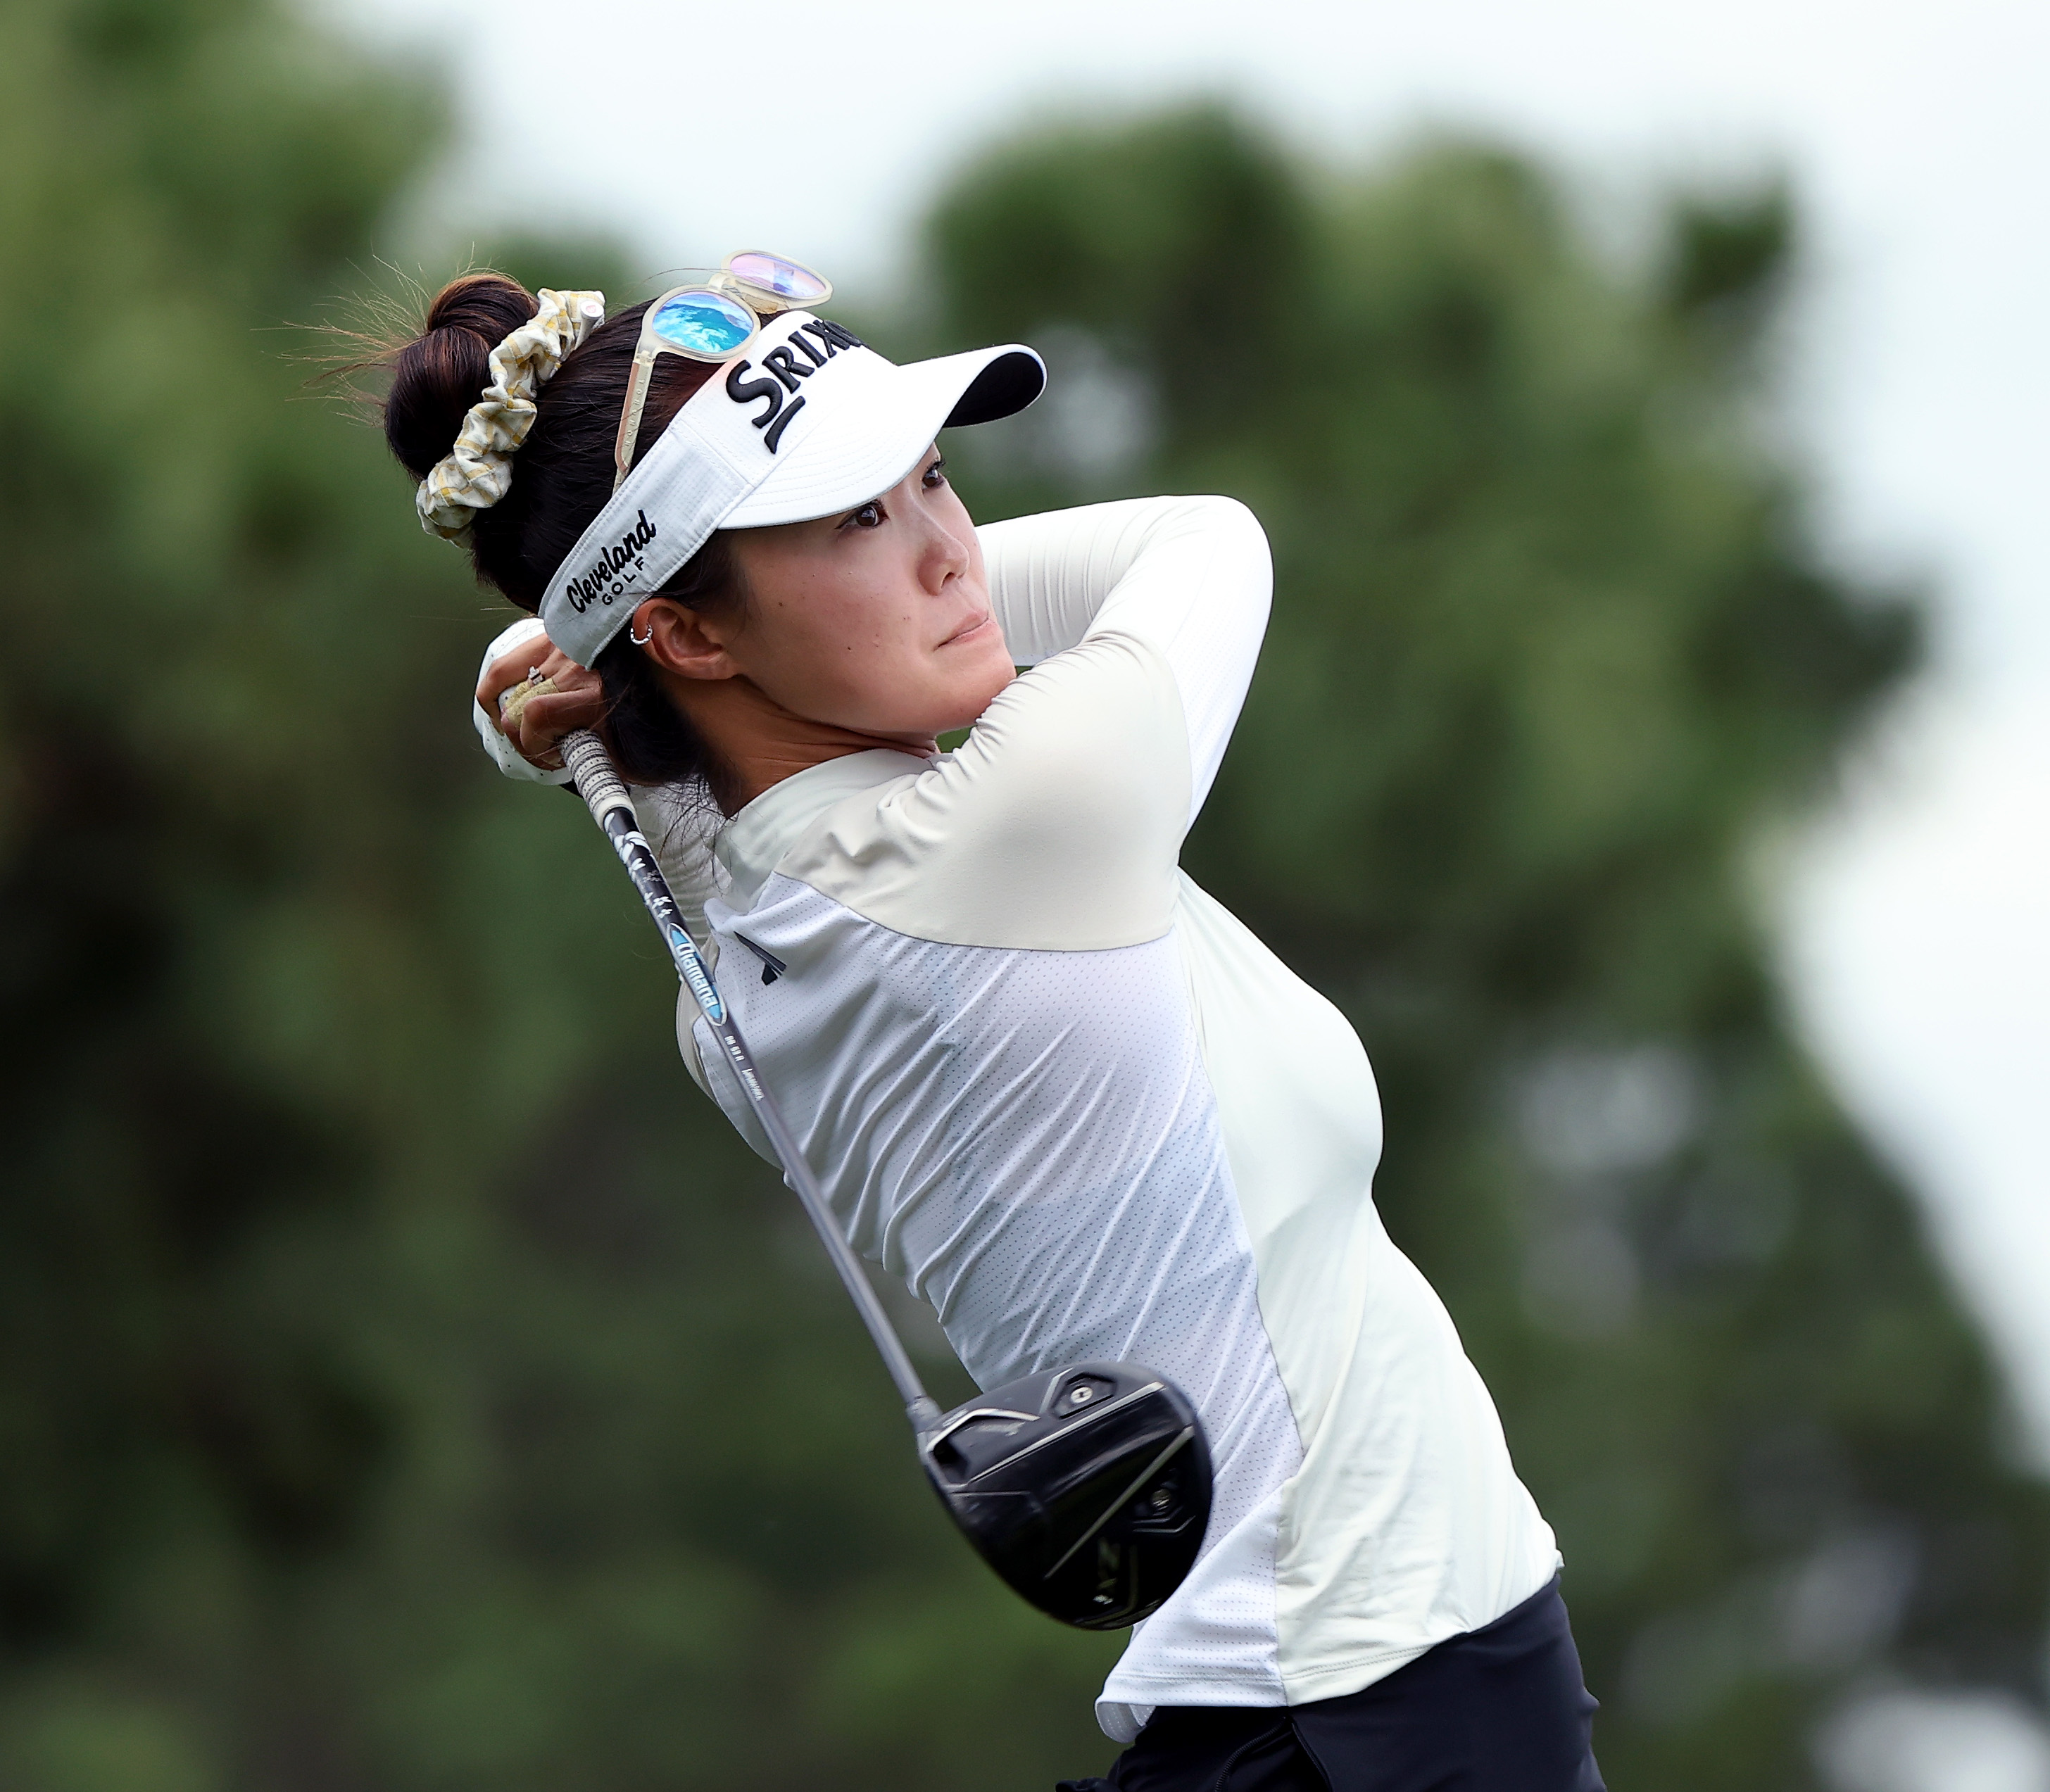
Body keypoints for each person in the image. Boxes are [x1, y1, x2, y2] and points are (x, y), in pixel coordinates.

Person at [375, 256, 1606, 1791]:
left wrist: (626, 664)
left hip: (1303, 1713)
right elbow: (1199, 539)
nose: (947, 552)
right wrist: (598, 677)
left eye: (933, 480)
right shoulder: (1022, 823)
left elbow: (705, 790)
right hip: (1382, 1705)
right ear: (692, 637)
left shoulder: (749, 977)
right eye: (852, 520)